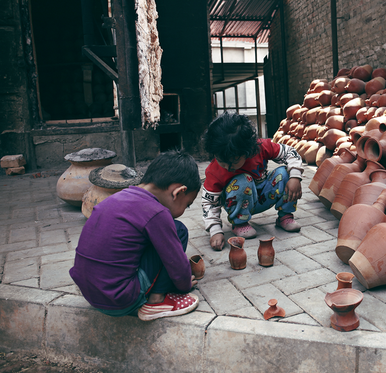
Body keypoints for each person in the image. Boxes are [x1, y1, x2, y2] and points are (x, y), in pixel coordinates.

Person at [69, 150, 201, 321]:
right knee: (178, 230)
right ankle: (156, 301)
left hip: (90, 293)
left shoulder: (114, 199)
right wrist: (183, 284)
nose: (185, 210)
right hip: (121, 299)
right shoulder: (157, 212)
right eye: (188, 204)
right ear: (178, 192)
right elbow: (176, 263)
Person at [202, 112, 304, 251]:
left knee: (285, 173)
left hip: (264, 196)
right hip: (237, 203)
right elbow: (209, 203)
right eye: (221, 161)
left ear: (247, 151)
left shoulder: (260, 147)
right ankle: (240, 223)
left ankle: (285, 216)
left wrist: (295, 177)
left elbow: (290, 153)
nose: (227, 167)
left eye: (233, 162)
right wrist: (215, 231)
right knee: (242, 180)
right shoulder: (214, 171)